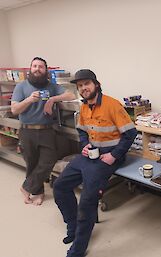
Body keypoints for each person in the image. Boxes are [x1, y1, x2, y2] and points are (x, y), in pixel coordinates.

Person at [53, 69, 137, 257]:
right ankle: (73, 227)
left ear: (96, 84)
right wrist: (84, 145)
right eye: (80, 86)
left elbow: (130, 133)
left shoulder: (112, 105)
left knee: (87, 200)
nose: (83, 88)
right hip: (90, 154)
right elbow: (82, 131)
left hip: (109, 157)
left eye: (86, 84)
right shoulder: (83, 107)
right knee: (59, 186)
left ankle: (78, 249)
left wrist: (114, 155)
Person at [11, 57, 76, 205]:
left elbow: (71, 95)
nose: (37, 69)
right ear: (30, 69)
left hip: (47, 130)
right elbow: (14, 109)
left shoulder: (51, 86)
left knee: (49, 160)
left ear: (45, 70)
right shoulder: (21, 87)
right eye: (34, 66)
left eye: (41, 67)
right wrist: (29, 100)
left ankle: (26, 187)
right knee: (32, 163)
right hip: (27, 131)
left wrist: (52, 99)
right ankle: (38, 193)